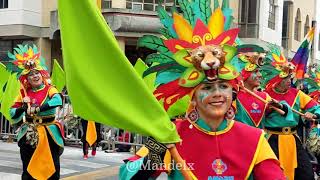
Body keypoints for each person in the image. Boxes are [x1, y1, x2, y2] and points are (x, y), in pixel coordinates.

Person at [119, 4, 285, 179]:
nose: (218, 93)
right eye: (207, 88)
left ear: (233, 92)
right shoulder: (171, 134)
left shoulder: (254, 138)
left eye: (223, 86)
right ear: (193, 98)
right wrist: (157, 152)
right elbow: (127, 175)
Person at [260, 45, 320, 180]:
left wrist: (314, 115)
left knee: (306, 174)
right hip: (272, 139)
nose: (289, 81)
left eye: (290, 77)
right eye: (286, 78)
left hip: (293, 138)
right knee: (273, 174)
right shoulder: (264, 95)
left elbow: (316, 107)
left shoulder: (297, 94)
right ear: (276, 80)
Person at [8, 44, 64, 180]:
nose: (35, 76)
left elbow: (57, 100)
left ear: (42, 74)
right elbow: (12, 112)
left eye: (37, 73)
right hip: (29, 132)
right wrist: (23, 108)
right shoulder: (23, 93)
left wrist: (39, 108)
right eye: (31, 74)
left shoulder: (50, 89)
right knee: (28, 168)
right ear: (26, 79)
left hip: (49, 133)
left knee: (52, 168)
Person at [235, 44, 289, 128]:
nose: (260, 75)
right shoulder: (233, 96)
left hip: (260, 140)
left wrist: (280, 106)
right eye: (255, 71)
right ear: (244, 74)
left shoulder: (264, 96)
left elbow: (284, 113)